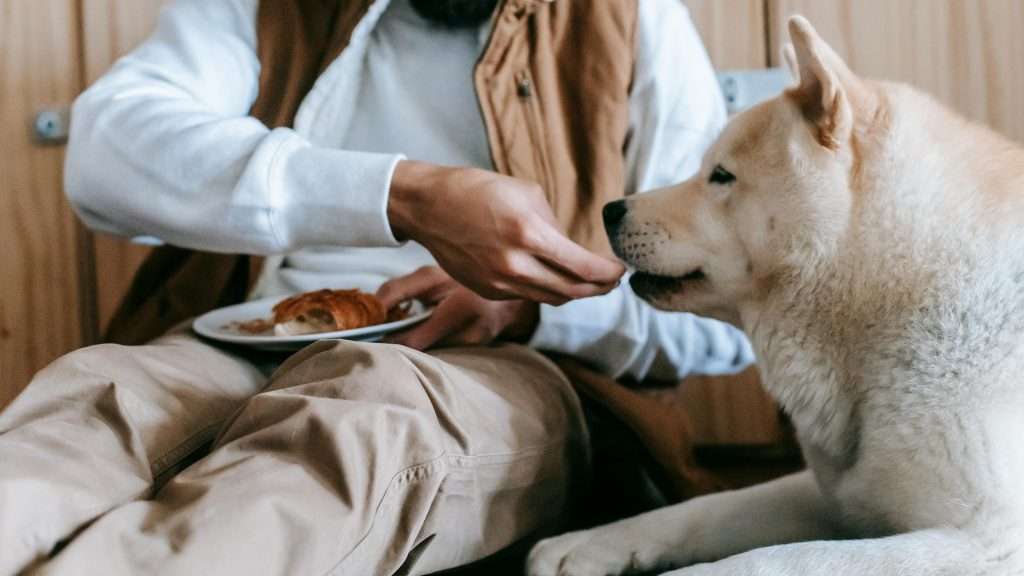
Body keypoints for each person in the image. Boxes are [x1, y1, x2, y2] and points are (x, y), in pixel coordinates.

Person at [0, 0, 753, 574]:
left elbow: (724, 319)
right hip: (249, 333)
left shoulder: (629, 17)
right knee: (96, 397)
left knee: (364, 424)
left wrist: (524, 312)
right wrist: (402, 194)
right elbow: (104, 152)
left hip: (503, 368)